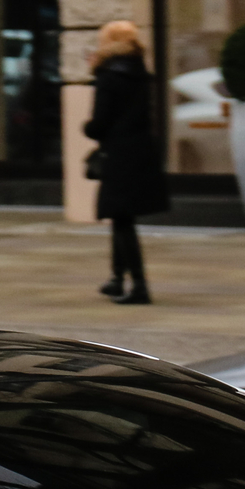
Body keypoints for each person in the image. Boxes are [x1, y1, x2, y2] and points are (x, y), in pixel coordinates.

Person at [82, 19, 169, 304]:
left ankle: (139, 286)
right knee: (121, 217)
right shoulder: (141, 73)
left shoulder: (109, 76)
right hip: (140, 151)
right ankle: (117, 279)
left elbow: (100, 123)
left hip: (118, 154)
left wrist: (88, 128)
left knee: (122, 220)